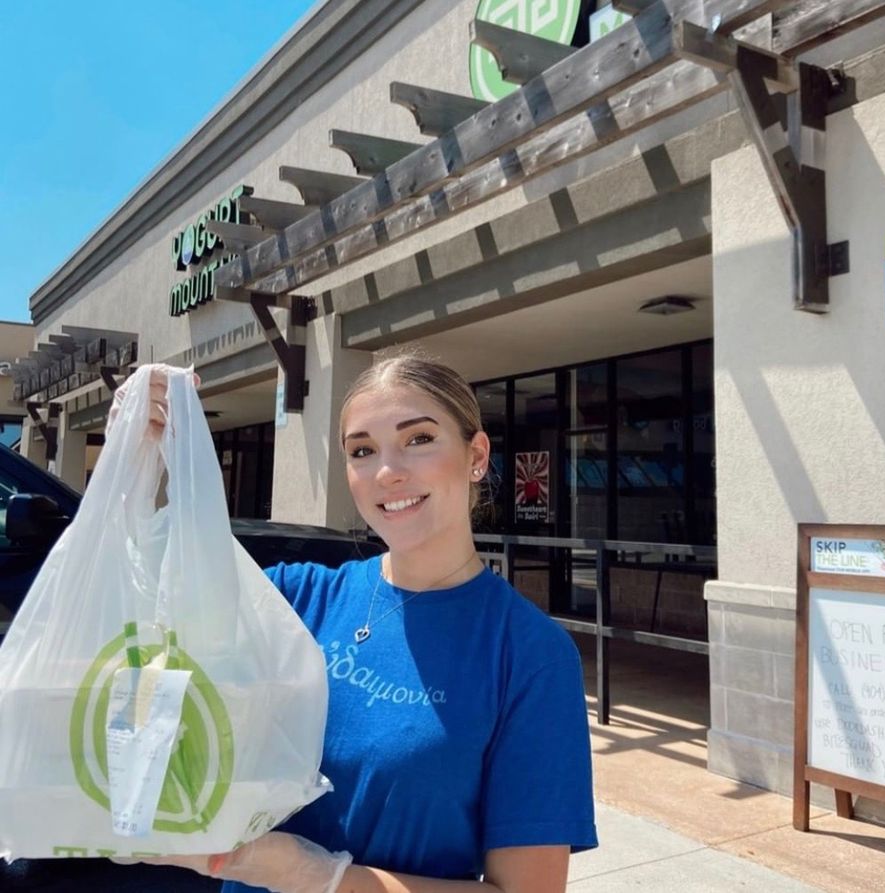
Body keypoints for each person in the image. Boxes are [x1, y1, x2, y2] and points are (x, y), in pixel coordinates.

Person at [114, 355, 598, 893]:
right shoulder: (292, 598)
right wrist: (131, 459)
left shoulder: (530, 654)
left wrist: (312, 875)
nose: (387, 471)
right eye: (362, 451)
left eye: (418, 439)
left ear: (476, 456)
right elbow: (138, 623)